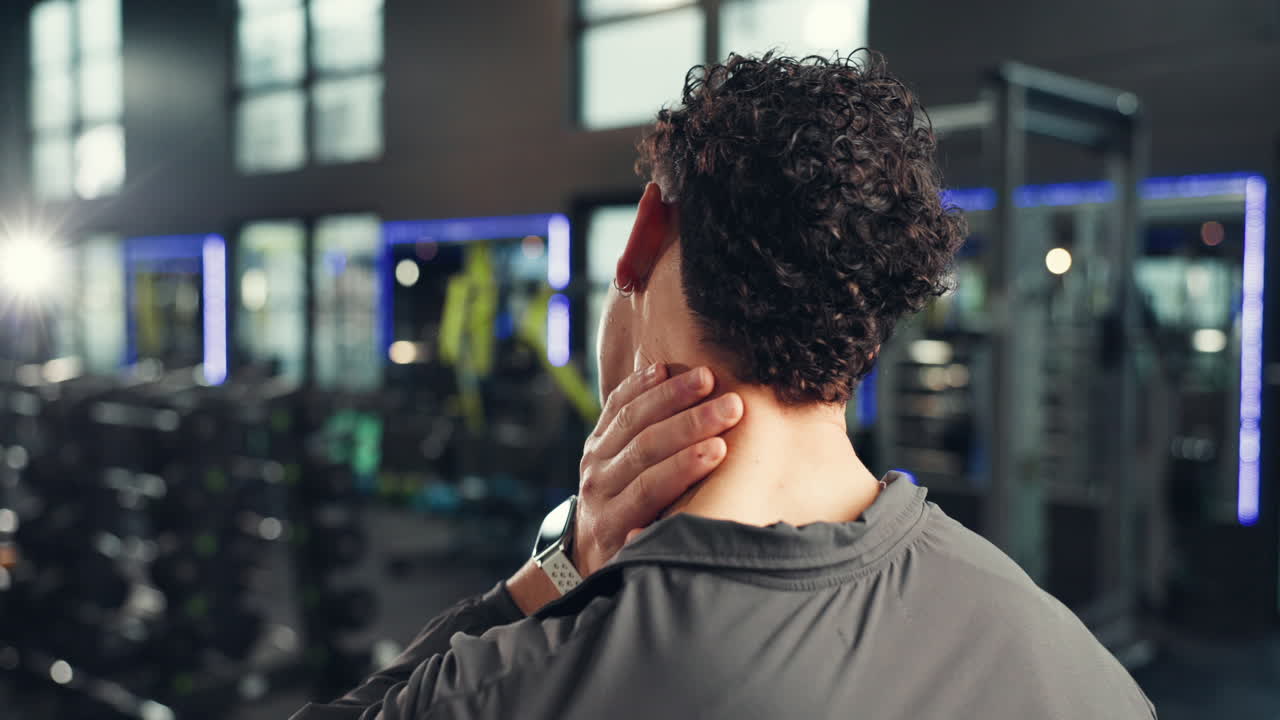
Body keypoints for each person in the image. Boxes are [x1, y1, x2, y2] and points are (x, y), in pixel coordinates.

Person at [292, 51, 1156, 719]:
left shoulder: (529, 686)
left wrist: (559, 572)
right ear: (869, 316)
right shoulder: (1080, 669)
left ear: (644, 233)